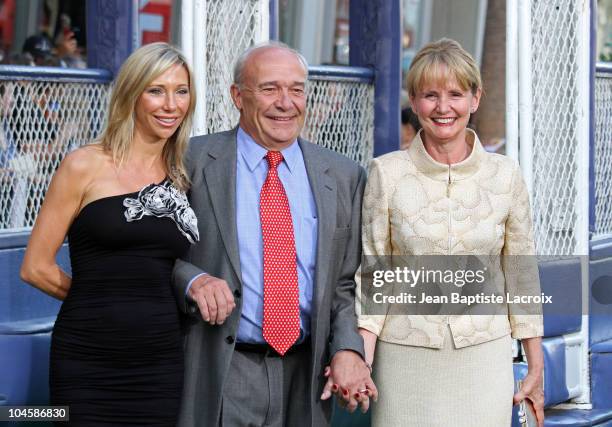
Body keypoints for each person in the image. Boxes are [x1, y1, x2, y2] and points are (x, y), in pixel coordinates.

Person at [173, 41, 377, 427]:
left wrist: (349, 348)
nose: (286, 103)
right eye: (269, 89)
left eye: (296, 89)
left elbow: (347, 283)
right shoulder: (190, 162)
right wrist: (191, 280)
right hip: (222, 368)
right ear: (237, 95)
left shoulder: (345, 176)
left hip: (307, 375)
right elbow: (150, 255)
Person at [356, 38, 545, 427]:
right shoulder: (385, 173)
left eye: (456, 94)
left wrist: (535, 366)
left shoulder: (505, 175)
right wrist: (362, 357)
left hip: (485, 356)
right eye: (430, 95)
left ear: (475, 99)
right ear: (414, 100)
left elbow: (521, 274)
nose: (443, 108)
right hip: (404, 357)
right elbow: (375, 273)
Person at [20, 42, 198, 426]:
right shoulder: (84, 165)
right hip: (87, 359)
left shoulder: (183, 175)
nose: (171, 104)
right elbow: (35, 267)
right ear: (132, 95)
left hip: (160, 363)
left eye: (181, 91)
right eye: (156, 90)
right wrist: (99, 299)